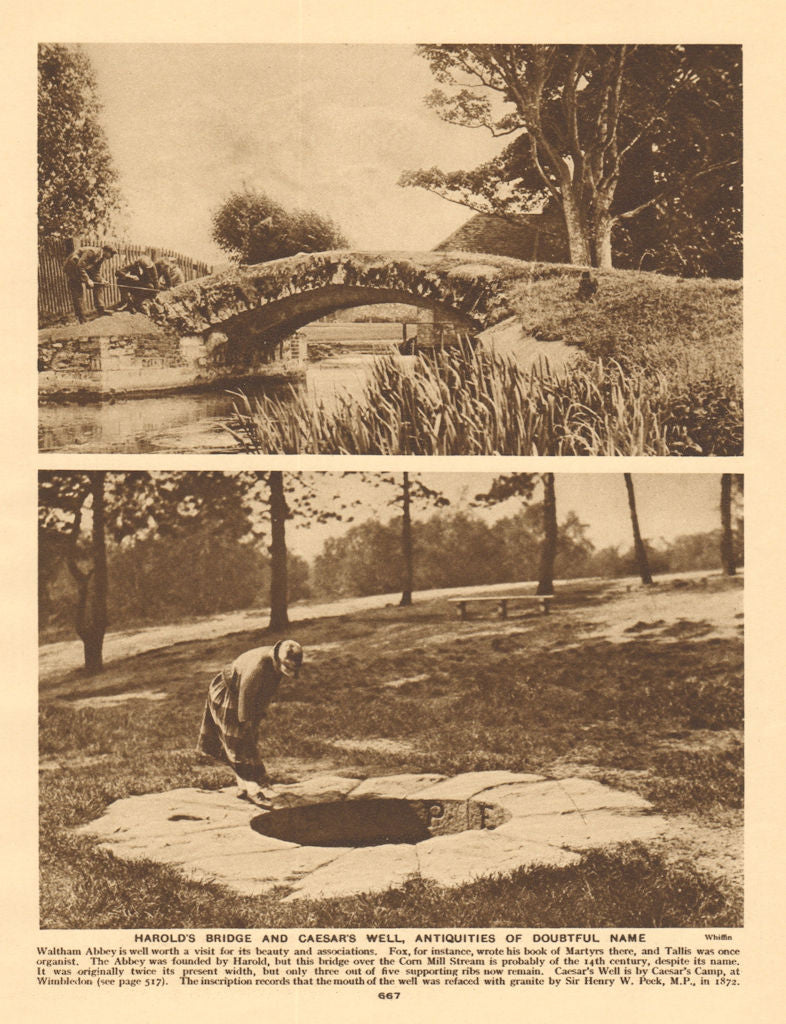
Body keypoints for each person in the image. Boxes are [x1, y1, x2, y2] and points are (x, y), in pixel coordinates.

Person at [196, 639, 303, 807]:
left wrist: (259, 715)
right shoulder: (257, 667)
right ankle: (254, 791)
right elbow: (245, 696)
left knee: (245, 742)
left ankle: (243, 786)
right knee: (238, 741)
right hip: (228, 693)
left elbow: (266, 691)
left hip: (244, 696)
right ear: (279, 660)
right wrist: (245, 722)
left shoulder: (275, 662)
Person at [62, 243, 118, 322]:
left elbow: (95, 272)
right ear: (106, 251)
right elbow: (80, 266)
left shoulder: (101, 257)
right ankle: (81, 317)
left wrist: (102, 280)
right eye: (111, 254)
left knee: (99, 282)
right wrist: (88, 280)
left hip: (81, 267)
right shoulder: (92, 252)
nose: (111, 257)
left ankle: (100, 309)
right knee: (78, 291)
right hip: (72, 267)